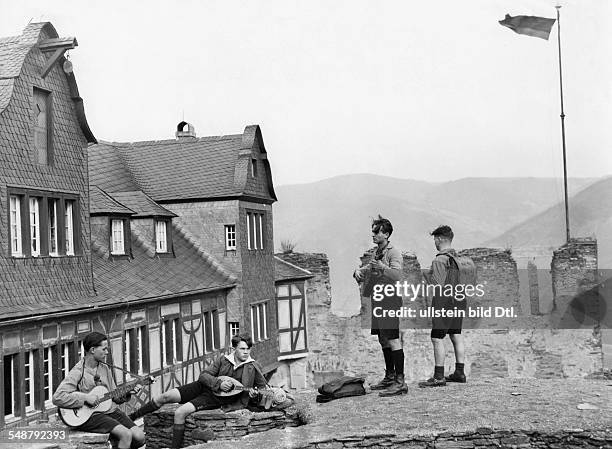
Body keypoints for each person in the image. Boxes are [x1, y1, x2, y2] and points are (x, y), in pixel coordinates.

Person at [129, 334, 268, 449]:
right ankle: (131, 417)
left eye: (248, 349)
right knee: (165, 396)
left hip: (216, 398)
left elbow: (263, 389)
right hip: (203, 386)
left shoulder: (253, 367)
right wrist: (219, 383)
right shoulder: (223, 360)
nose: (246, 352)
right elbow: (204, 376)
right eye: (242, 348)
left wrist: (254, 396)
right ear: (234, 348)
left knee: (180, 412)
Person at [52, 332, 145, 449]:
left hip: (109, 411)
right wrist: (85, 398)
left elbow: (114, 396)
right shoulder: (78, 371)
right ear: (92, 350)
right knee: (125, 434)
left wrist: (128, 392)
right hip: (90, 416)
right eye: (104, 349)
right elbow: (58, 397)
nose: (107, 352)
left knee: (139, 436)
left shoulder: (104, 368)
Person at [353, 215, 406, 396]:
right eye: (373, 231)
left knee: (393, 338)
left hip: (390, 299)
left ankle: (400, 382)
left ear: (386, 234)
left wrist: (382, 266)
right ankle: (390, 376)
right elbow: (372, 267)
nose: (373, 235)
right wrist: (359, 270)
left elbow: (397, 276)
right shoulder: (378, 251)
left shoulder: (393, 252)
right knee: (383, 338)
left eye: (377, 232)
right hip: (379, 298)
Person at [419, 225, 467, 387]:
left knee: (436, 337)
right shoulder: (459, 258)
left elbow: (438, 284)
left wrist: (426, 274)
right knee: (455, 335)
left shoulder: (440, 259)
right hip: (459, 299)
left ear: (439, 239)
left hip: (444, 300)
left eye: (435, 239)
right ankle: (460, 372)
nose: (434, 242)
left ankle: (439, 376)